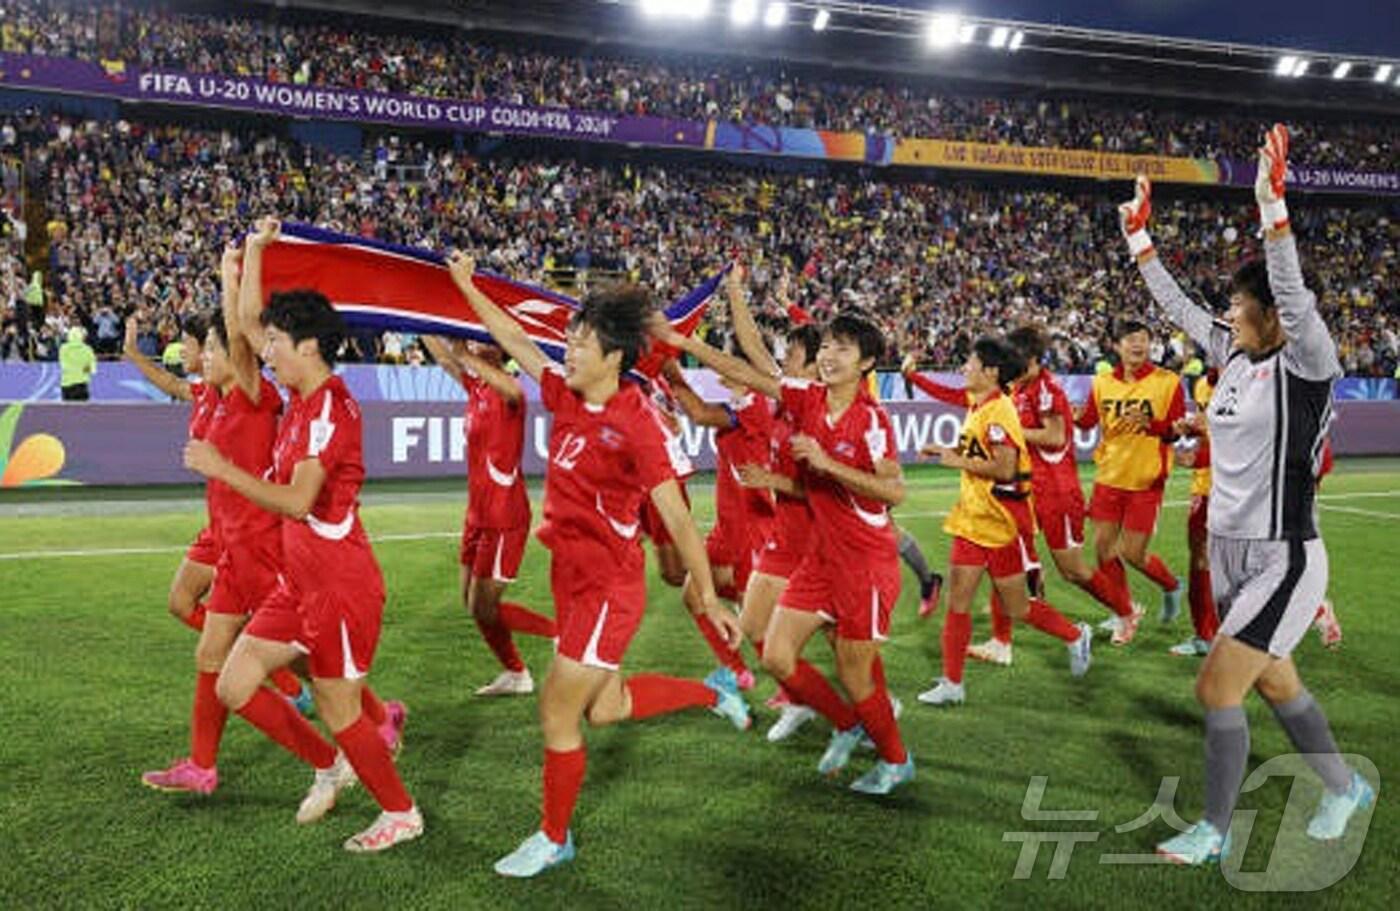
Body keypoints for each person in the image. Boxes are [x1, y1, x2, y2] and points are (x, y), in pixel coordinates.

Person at [446, 252, 750, 878]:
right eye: (569, 341)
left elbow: (678, 518)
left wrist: (708, 595)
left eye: (580, 344)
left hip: (609, 587)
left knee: (557, 711)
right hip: (571, 577)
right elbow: (513, 339)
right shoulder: (566, 393)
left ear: (614, 357)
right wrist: (466, 286)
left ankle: (553, 838)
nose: (568, 352)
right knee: (607, 708)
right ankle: (712, 693)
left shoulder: (637, 423)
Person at [1118, 126, 1373, 865]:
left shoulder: (1307, 360)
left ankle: (1213, 829)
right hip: (1229, 551)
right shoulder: (1232, 355)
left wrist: (1272, 208)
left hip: (1282, 556)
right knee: (1276, 683)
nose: (1228, 314)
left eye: (1239, 304)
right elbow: (1177, 306)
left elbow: (1290, 291)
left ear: (1273, 315)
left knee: (1216, 686)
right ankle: (1345, 786)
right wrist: (1140, 240)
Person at [185, 218, 420, 853]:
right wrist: (249, 258)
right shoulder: (299, 401)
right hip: (298, 583)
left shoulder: (330, 411)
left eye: (277, 343)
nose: (266, 352)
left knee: (342, 711)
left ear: (310, 347)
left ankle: (401, 811)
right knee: (234, 683)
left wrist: (223, 468)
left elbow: (297, 501)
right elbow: (247, 324)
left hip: (339, 587)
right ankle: (327, 765)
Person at [659, 309, 914, 796]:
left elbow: (894, 490)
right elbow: (747, 370)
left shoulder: (871, 419)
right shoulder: (806, 396)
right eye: (827, 345)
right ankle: (846, 724)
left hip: (863, 563)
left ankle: (896, 760)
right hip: (819, 560)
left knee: (855, 674)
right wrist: (681, 343)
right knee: (776, 655)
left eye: (843, 348)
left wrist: (828, 464)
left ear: (866, 363)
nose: (830, 355)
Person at [142, 243, 295, 794]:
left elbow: (240, 332)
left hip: (264, 545)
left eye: (211, 348)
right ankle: (202, 766)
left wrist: (232, 274)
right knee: (210, 653)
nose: (204, 356)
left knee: (312, 660)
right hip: (232, 547)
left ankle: (372, 720)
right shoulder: (224, 399)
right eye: (202, 348)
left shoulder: (256, 395)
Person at [912, 337, 1093, 707]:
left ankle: (1075, 635)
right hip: (971, 519)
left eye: (970, 362)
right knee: (957, 603)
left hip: (1002, 523)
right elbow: (978, 450)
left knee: (1018, 608)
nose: (964, 367)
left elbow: (1004, 467)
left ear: (991, 371)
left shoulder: (1000, 410)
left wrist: (953, 460)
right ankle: (952, 684)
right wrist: (945, 450)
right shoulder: (979, 404)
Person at [423, 336, 557, 697]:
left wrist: (464, 354)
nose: (475, 345)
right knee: (472, 603)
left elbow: (510, 389)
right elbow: (444, 359)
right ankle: (516, 674)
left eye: (484, 341)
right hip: (477, 515)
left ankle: (556, 634)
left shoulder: (510, 391)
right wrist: (416, 321)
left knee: (484, 605)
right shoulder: (477, 386)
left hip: (504, 517)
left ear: (500, 350)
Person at [1073, 316, 1186, 643]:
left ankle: (1171, 585)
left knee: (1133, 553)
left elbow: (1175, 432)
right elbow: (1089, 421)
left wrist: (1150, 423)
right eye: (1131, 339)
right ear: (1116, 346)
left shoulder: (1168, 382)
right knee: (1104, 550)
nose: (1138, 345)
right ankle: (1124, 611)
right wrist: (1074, 415)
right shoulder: (1102, 382)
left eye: (1143, 339)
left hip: (1146, 481)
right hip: (1109, 477)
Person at [660, 353, 762, 689]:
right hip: (728, 526)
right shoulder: (742, 404)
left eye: (727, 362)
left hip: (752, 530)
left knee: (759, 626)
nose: (720, 367)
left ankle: (796, 695)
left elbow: (700, 413)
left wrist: (669, 368)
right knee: (694, 595)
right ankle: (737, 672)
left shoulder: (756, 406)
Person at [1168, 371, 1220, 657]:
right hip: (1205, 485)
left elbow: (1246, 438)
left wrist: (1199, 456)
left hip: (1236, 486)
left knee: (1241, 562)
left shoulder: (1252, 382)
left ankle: (1312, 608)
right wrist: (1192, 431)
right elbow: (1208, 431)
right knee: (1200, 556)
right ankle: (1205, 634)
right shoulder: (1203, 384)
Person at [59, 326, 96, 400]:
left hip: (66, 385)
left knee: (68, 407)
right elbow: (92, 369)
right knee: (82, 407)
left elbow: (63, 365)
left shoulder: (63, 349)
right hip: (81, 385)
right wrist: (82, 369)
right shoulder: (88, 349)